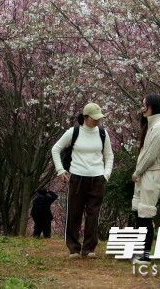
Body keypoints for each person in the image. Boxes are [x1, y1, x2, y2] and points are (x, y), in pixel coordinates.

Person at [51, 102, 114, 258]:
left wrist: (106, 174)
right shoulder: (74, 132)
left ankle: (89, 248)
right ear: (85, 117)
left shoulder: (103, 133)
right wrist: (60, 170)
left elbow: (109, 155)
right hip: (77, 178)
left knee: (93, 214)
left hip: (97, 179)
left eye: (99, 118)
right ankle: (73, 248)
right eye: (94, 118)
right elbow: (56, 148)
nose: (98, 121)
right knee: (74, 213)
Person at [131, 93, 160, 264]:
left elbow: (150, 156)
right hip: (148, 175)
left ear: (152, 106)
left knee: (145, 214)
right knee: (140, 214)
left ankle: (145, 255)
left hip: (150, 175)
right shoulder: (152, 126)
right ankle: (140, 251)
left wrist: (137, 172)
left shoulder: (159, 128)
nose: (142, 109)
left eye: (144, 105)